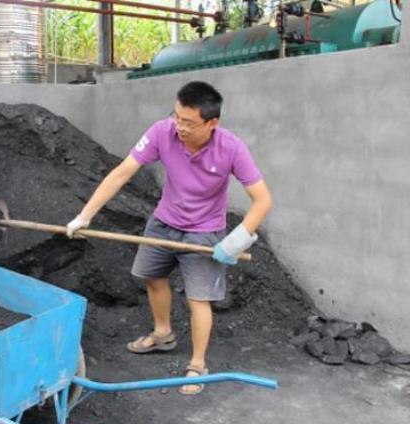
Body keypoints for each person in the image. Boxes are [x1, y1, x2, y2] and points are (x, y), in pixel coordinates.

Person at [65, 81, 273, 395]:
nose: (180, 126)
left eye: (188, 122)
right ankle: (163, 333)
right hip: (163, 222)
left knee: (198, 299)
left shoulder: (231, 147)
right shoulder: (163, 132)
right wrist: (85, 215)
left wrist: (236, 240)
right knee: (152, 277)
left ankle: (198, 364)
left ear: (211, 123)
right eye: (176, 117)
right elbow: (123, 171)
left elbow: (263, 200)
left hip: (204, 230)